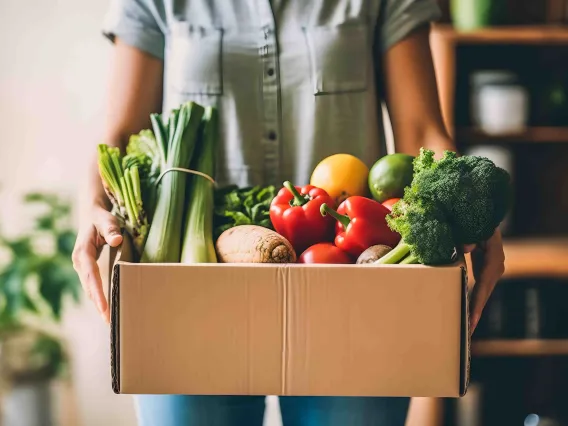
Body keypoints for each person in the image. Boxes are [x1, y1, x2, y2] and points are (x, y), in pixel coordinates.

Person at [72, 0, 506, 425]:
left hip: (351, 291)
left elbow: (420, 129)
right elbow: (122, 133)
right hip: (193, 291)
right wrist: (93, 204)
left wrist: (467, 206)